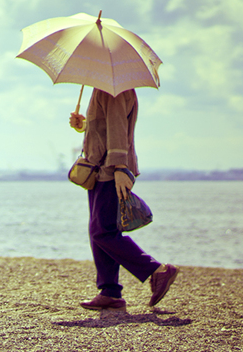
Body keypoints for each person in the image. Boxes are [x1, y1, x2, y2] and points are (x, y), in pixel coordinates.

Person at [69, 89, 178, 311]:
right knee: (99, 231)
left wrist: (120, 167)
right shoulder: (103, 88)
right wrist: (83, 125)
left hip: (110, 171)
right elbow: (105, 128)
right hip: (100, 170)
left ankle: (157, 270)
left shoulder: (113, 90)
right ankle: (109, 292)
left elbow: (118, 129)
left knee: (103, 232)